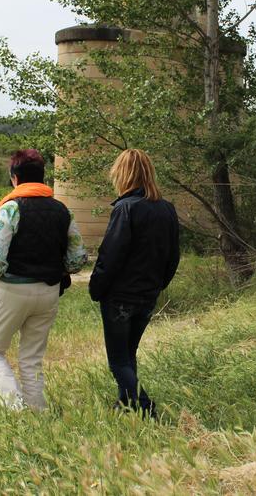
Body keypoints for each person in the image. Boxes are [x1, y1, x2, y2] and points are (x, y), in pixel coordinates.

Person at [0, 149, 87, 410]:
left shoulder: (11, 209)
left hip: (11, 289)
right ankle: (38, 412)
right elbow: (77, 259)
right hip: (48, 292)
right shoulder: (62, 210)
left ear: (14, 178)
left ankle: (17, 408)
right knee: (31, 358)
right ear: (42, 177)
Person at [89, 149, 180, 418]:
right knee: (129, 353)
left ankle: (146, 407)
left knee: (118, 361)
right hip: (148, 294)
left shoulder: (125, 208)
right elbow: (173, 255)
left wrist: (96, 287)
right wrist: (159, 284)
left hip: (120, 296)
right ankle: (125, 403)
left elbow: (110, 255)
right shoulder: (167, 209)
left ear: (122, 174)